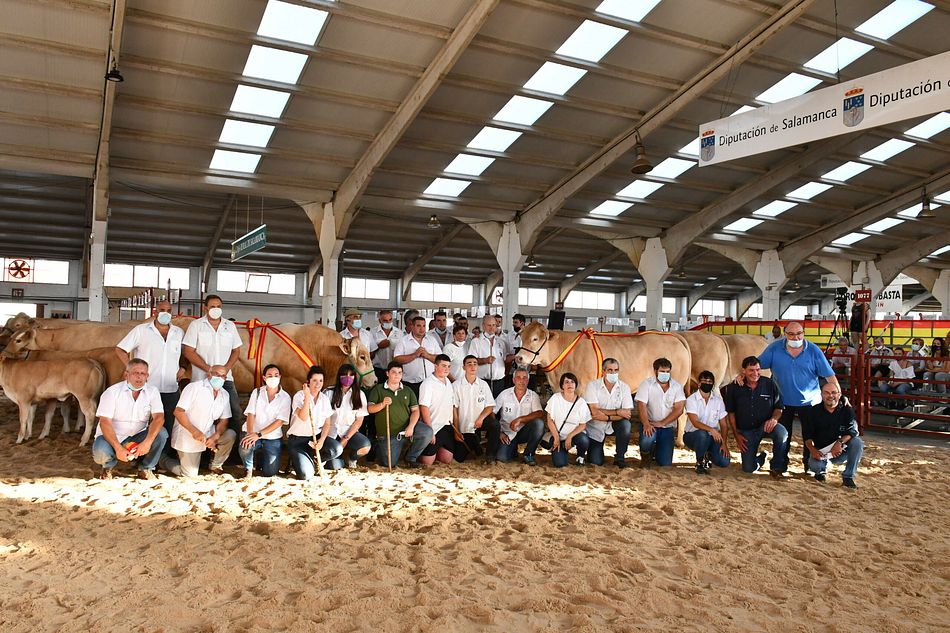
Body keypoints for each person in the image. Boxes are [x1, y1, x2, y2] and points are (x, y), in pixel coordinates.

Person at [757, 322, 838, 474]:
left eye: (799, 333)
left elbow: (829, 375)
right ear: (785, 334)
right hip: (782, 401)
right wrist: (742, 373)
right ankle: (779, 466)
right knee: (782, 436)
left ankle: (810, 465)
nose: (796, 337)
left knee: (811, 435)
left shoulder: (813, 350)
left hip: (810, 402)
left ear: (804, 332)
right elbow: (756, 365)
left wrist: (837, 395)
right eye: (792, 334)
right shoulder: (774, 348)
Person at [115, 299, 185, 442]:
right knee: (144, 422)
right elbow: (120, 349)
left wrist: (183, 367)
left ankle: (165, 455)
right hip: (147, 386)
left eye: (169, 311)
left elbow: (185, 353)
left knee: (170, 421)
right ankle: (142, 453)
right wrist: (131, 369)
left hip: (170, 386)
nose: (165, 314)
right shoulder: (141, 330)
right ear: (155, 312)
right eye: (162, 310)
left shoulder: (179, 333)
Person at [92, 358, 168, 480]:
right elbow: (104, 422)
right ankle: (108, 467)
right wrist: (118, 448)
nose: (139, 377)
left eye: (143, 373)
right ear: (126, 374)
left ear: (147, 376)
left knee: (162, 433)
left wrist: (147, 443)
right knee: (101, 452)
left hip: (137, 436)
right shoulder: (112, 392)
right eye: (135, 373)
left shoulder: (152, 391)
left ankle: (146, 468)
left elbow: (159, 418)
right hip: (113, 437)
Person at [182, 295, 244, 436]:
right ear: (206, 308)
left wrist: (226, 370)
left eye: (219, 307)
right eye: (212, 307)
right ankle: (202, 448)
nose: (216, 309)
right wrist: (208, 369)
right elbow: (188, 351)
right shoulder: (196, 326)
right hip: (201, 378)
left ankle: (233, 449)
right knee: (201, 412)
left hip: (225, 379)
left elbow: (236, 350)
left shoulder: (230, 326)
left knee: (235, 411)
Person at [168, 365, 236, 478]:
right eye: (217, 375)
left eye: (223, 376)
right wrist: (195, 432)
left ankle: (215, 465)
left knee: (230, 435)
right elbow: (178, 412)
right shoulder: (194, 388)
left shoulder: (224, 394)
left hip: (207, 434)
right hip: (188, 435)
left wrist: (215, 436)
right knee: (189, 474)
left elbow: (224, 420)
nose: (220, 378)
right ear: (209, 374)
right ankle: (162, 460)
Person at [724, 356, 788, 476]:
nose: (755, 373)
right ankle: (762, 458)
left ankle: (777, 467)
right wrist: (736, 434)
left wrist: (774, 419)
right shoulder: (734, 387)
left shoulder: (769, 384)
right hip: (746, 431)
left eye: (758, 370)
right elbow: (731, 414)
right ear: (743, 371)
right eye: (751, 370)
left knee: (782, 432)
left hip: (766, 426)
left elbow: (779, 407)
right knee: (748, 468)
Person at [366, 361, 432, 468]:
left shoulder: (408, 391)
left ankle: (411, 457)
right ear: (387, 373)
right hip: (388, 434)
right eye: (394, 372)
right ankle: (377, 446)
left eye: (400, 372)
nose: (397, 375)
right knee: (389, 463)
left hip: (406, 428)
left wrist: (410, 427)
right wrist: (382, 404)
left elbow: (415, 411)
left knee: (427, 432)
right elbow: (370, 409)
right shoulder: (378, 389)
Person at [802, 383, 864, 489]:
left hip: (840, 450)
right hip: (821, 451)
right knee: (815, 466)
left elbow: (852, 431)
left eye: (834, 392)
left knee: (857, 442)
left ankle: (848, 477)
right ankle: (821, 473)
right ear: (821, 395)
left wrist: (839, 443)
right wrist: (813, 450)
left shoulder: (847, 411)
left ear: (839, 395)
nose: (830, 396)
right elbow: (807, 436)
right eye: (826, 393)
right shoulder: (813, 411)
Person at [238, 363, 291, 479]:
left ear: (280, 377)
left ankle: (261, 458)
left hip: (272, 437)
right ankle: (248, 468)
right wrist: (250, 433)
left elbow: (280, 421)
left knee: (270, 473)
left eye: (276, 375)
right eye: (270, 375)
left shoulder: (285, 397)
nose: (273, 378)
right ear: (264, 378)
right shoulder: (256, 392)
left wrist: (259, 434)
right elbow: (251, 413)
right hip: (253, 432)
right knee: (245, 446)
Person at [635, 358, 686, 468]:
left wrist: (662, 423)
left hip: (667, 427)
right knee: (646, 439)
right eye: (662, 371)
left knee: (665, 462)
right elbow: (641, 405)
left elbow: (679, 409)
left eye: (667, 371)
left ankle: (656, 450)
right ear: (655, 371)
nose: (665, 374)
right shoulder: (646, 384)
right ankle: (646, 455)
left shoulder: (677, 387)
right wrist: (646, 424)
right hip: (651, 424)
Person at [584, 358, 634, 468]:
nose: (613, 373)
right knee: (595, 461)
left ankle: (620, 457)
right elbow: (594, 411)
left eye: (616, 370)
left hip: (615, 424)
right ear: (603, 371)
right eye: (610, 370)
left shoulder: (624, 387)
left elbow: (627, 414)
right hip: (595, 427)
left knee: (626, 425)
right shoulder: (592, 386)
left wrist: (605, 415)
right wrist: (617, 412)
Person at [287, 366, 335, 479]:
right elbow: (303, 417)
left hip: (314, 438)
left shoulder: (324, 399)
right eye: (314, 380)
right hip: (298, 440)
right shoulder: (299, 396)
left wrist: (322, 441)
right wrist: (307, 397)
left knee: (336, 449)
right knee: (306, 475)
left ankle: (314, 461)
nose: (318, 384)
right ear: (308, 381)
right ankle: (299, 461)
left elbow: (327, 423)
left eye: (321, 381)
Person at [454, 355, 500, 464]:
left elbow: (490, 406)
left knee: (495, 425)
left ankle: (490, 456)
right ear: (463, 367)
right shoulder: (456, 385)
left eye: (475, 363)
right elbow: (454, 410)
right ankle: (476, 446)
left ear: (478, 367)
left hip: (480, 422)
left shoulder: (483, 385)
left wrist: (481, 418)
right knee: (459, 457)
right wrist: (456, 431)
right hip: (464, 426)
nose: (472, 366)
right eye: (469, 364)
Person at [494, 367, 545, 465]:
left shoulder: (533, 395)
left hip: (524, 432)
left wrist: (520, 419)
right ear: (513, 380)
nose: (521, 381)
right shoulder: (504, 394)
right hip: (507, 433)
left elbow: (539, 413)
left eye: (524, 378)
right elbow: (492, 412)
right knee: (502, 458)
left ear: (528, 380)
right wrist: (499, 432)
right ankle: (513, 450)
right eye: (518, 377)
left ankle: (528, 454)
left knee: (539, 424)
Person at [684, 371, 731, 475]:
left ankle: (708, 454)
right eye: (704, 381)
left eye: (710, 382)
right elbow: (695, 423)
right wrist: (711, 430)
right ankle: (700, 462)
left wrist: (724, 444)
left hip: (713, 438)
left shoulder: (718, 401)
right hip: (693, 435)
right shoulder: (691, 400)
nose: (707, 383)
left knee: (724, 461)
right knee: (702, 434)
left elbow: (724, 425)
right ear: (699, 383)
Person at [326, 364, 373, 468]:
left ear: (354, 377)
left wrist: (346, 438)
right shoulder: (329, 392)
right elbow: (325, 418)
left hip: (348, 431)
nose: (348, 378)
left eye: (351, 375)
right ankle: (338, 458)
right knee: (335, 466)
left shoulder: (359, 394)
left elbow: (359, 420)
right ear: (339, 376)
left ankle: (351, 458)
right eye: (344, 375)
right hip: (331, 433)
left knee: (365, 446)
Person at [418, 355, 460, 465]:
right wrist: (430, 431)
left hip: (447, 426)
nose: (447, 369)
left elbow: (453, 406)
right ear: (435, 366)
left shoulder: (449, 383)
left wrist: (456, 429)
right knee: (427, 462)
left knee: (446, 460)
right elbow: (424, 407)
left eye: (449, 366)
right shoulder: (427, 384)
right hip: (434, 427)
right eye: (443, 366)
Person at [544, 372, 590, 467]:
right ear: (562, 386)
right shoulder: (555, 398)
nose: (570, 384)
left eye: (572, 382)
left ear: (575, 385)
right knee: (560, 464)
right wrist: (556, 437)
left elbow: (583, 425)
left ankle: (580, 457)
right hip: (558, 436)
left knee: (584, 439)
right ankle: (561, 450)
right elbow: (550, 420)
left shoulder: (581, 402)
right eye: (567, 382)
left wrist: (570, 436)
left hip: (573, 436)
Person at [393, 315, 442, 396]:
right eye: (418, 326)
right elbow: (397, 359)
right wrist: (414, 355)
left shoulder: (432, 340)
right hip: (410, 383)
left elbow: (440, 359)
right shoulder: (403, 341)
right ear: (412, 326)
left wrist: (427, 355)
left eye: (424, 326)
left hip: (430, 382)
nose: (422, 329)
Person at [469, 315, 509, 397]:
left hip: (499, 381)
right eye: (489, 325)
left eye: (494, 325)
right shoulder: (476, 341)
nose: (492, 328)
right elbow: (471, 361)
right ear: (483, 326)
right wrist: (484, 360)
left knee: (497, 407)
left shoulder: (501, 341)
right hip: (483, 381)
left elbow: (505, 359)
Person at [371, 309, 402, 384]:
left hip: (394, 370)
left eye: (390, 319)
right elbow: (369, 353)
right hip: (378, 369)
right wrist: (378, 346)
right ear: (380, 321)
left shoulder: (399, 333)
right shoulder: (372, 333)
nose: (388, 322)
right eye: (385, 320)